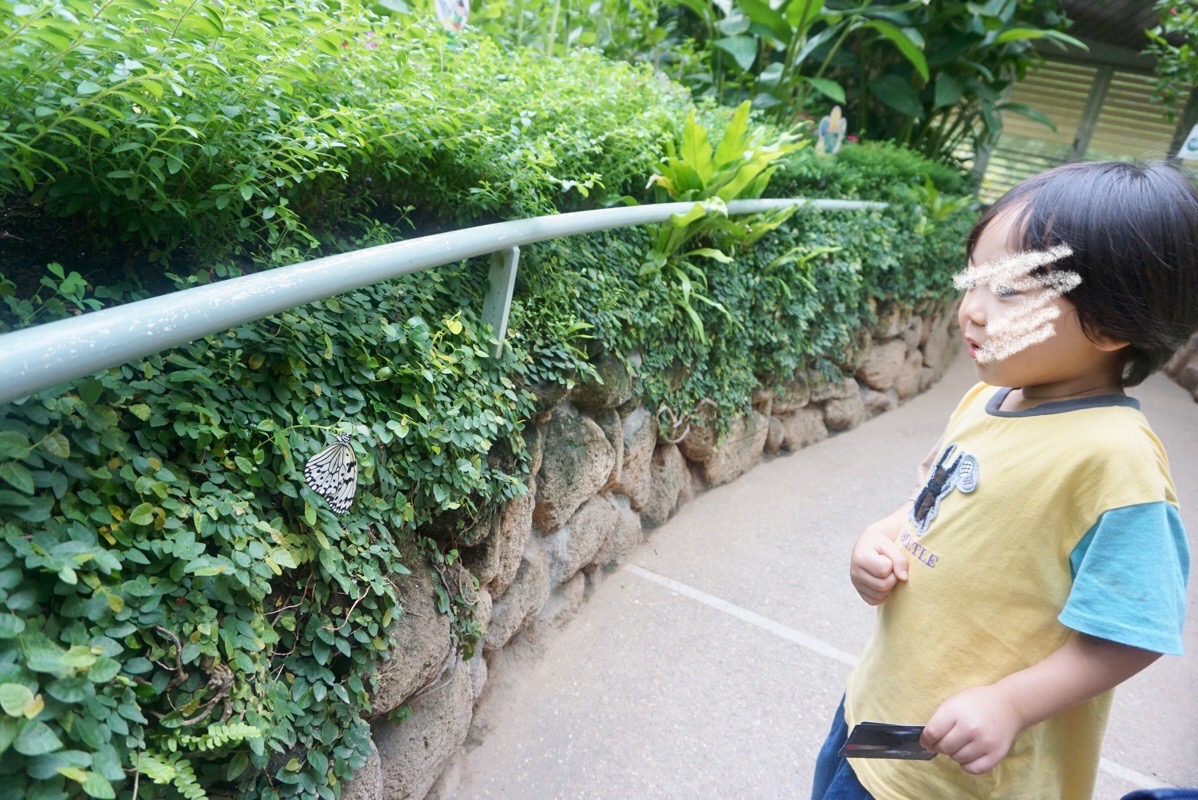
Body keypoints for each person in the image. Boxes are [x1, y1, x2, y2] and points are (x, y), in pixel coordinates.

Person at [812, 160, 1198, 800]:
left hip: (959, 772)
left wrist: (1013, 704)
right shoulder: (990, 401)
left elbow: (1137, 627)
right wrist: (879, 539)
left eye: (1009, 292)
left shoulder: (1113, 460)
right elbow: (931, 507)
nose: (972, 311)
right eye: (975, 282)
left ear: (1110, 323)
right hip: (877, 713)